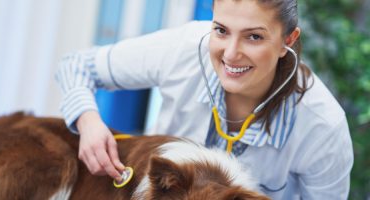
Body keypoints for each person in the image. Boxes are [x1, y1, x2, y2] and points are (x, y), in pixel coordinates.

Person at [55, 0, 354, 199]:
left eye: (254, 37)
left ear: (287, 41)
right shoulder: (181, 49)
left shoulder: (323, 127)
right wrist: (89, 122)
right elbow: (76, 66)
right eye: (221, 31)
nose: (231, 53)